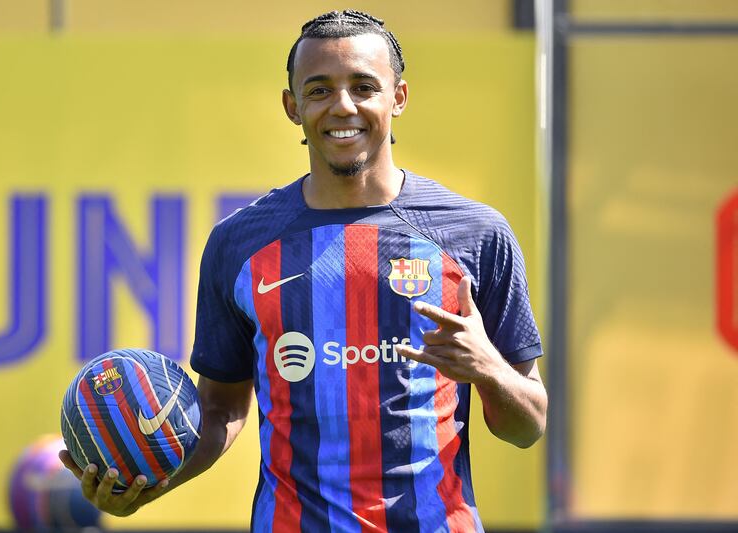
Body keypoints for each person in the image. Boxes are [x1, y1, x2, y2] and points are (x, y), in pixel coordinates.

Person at [60, 9, 548, 532]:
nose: (343, 106)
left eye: (364, 86)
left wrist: (488, 369)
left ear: (398, 98)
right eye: (319, 90)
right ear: (293, 107)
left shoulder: (474, 234)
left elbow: (528, 427)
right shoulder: (239, 244)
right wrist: (148, 485)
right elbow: (221, 410)